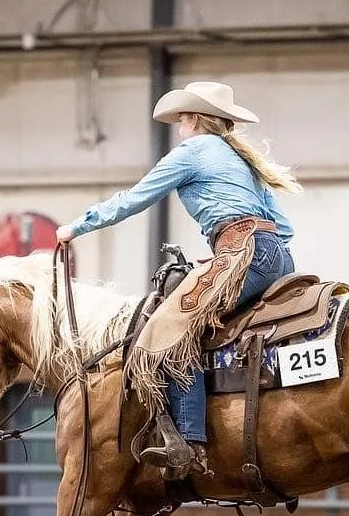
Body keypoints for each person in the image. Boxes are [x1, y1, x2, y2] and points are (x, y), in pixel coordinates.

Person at [56, 81, 300, 478]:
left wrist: (77, 227)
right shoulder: (244, 162)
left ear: (193, 119)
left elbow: (136, 198)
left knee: (168, 330)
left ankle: (188, 441)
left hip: (242, 253)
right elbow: (283, 227)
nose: (178, 125)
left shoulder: (191, 152)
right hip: (277, 256)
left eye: (182, 118)